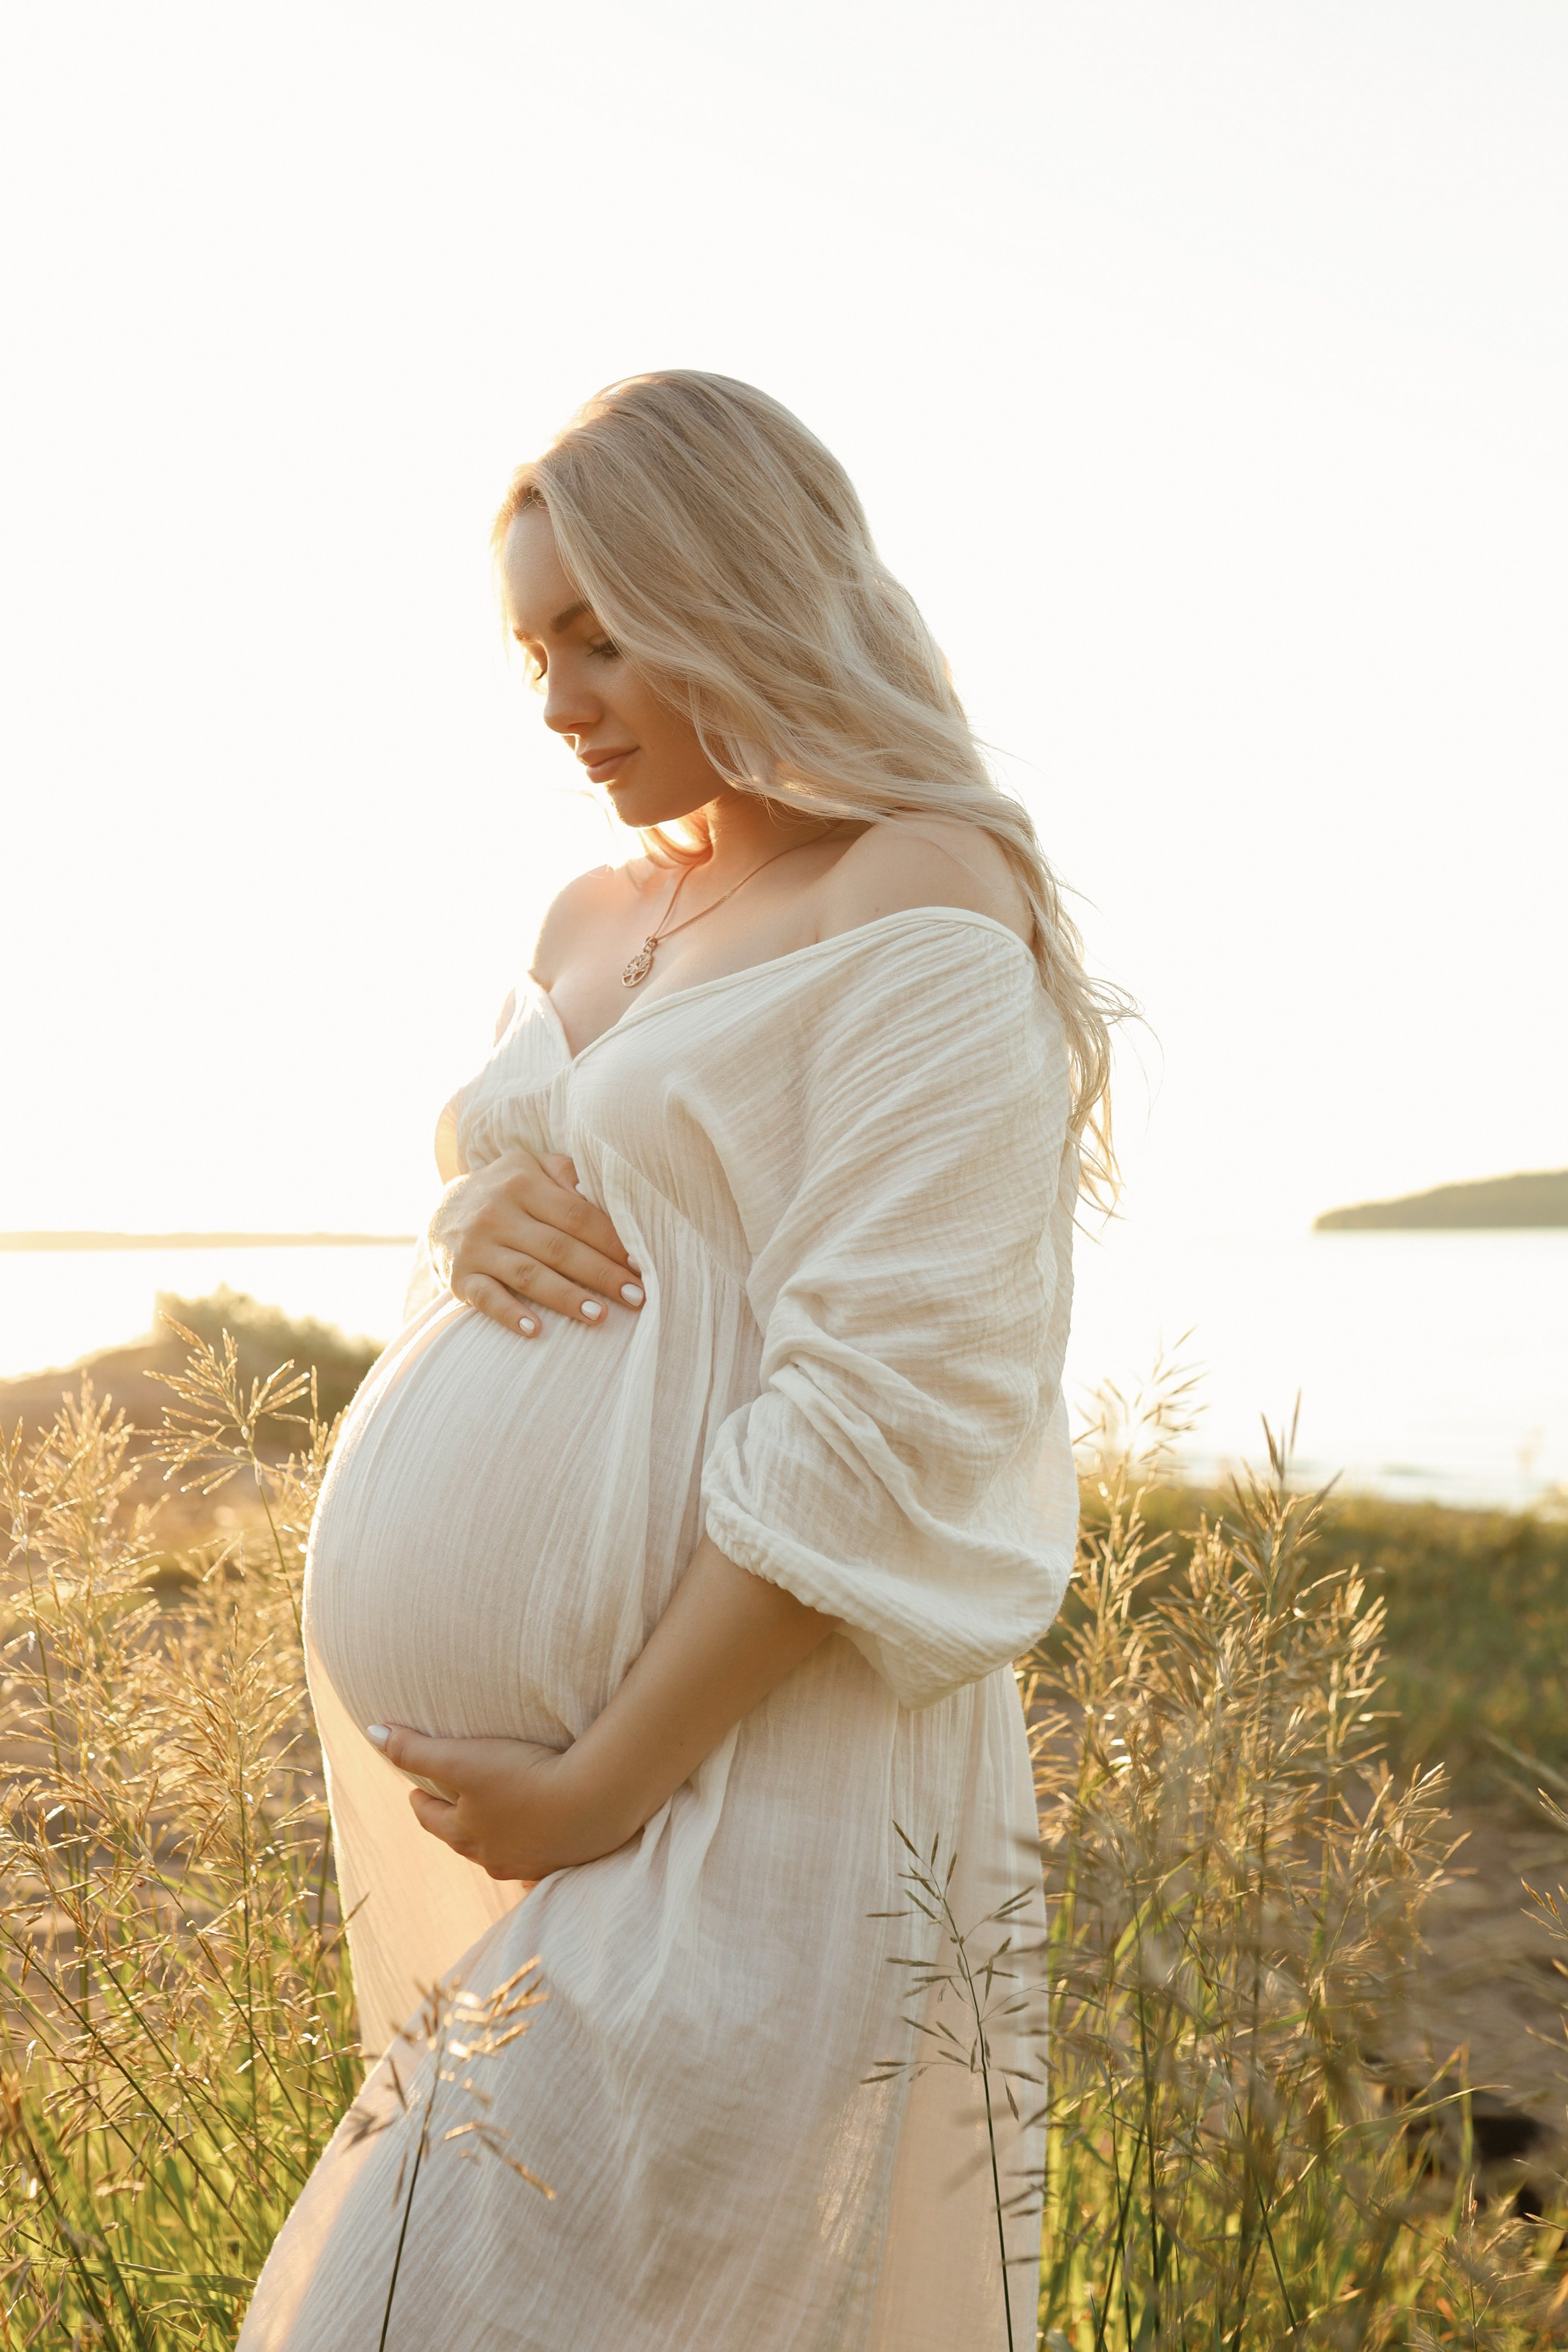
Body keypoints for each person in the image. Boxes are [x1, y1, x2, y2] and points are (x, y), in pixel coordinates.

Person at [239, 371, 1115, 2351]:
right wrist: (469, 1212)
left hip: (726, 1790)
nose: (556, 699)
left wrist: (605, 1783)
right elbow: (551, 1194)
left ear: (743, 587)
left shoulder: (918, 891)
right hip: (565, 1823)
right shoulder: (596, 908)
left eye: (602, 631)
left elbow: (888, 1415)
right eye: (533, 648)